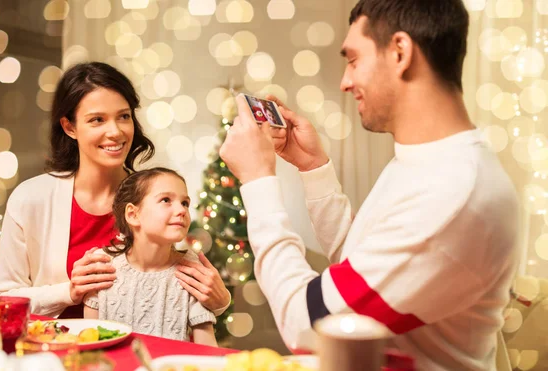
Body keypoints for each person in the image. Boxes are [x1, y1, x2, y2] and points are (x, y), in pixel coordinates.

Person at [219, 0, 519, 370]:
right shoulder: (427, 161)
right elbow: (362, 269)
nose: (345, 82)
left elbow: (309, 325)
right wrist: (313, 168)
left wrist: (258, 182)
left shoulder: (452, 191)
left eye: (353, 60)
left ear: (400, 52)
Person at [0, 62, 230, 319]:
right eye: (97, 120)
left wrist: (220, 301)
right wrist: (69, 291)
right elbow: (4, 301)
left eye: (124, 116)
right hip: (51, 352)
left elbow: (175, 291)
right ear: (69, 127)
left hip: (135, 353)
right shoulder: (30, 199)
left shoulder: (156, 198)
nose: (115, 132)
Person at [83, 168, 217, 346]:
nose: (181, 210)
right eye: (166, 200)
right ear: (133, 214)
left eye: (185, 203)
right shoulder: (102, 265)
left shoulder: (191, 269)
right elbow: (89, 342)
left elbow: (207, 348)